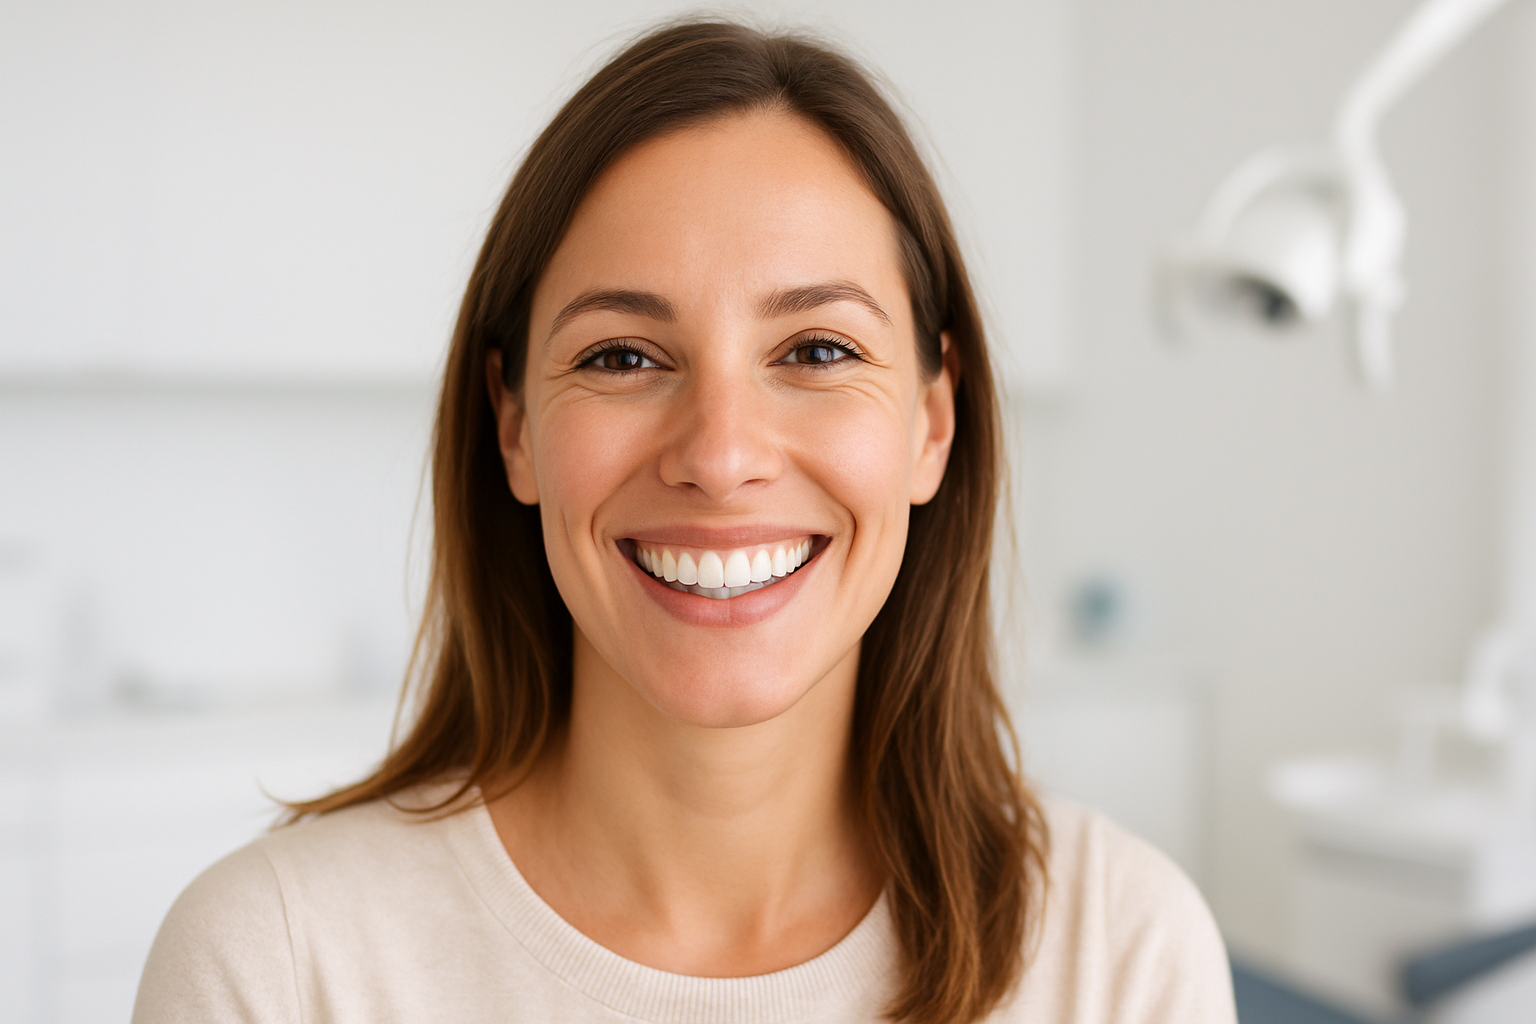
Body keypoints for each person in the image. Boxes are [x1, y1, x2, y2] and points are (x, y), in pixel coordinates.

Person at [133, 19, 1235, 1024]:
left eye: (816, 351)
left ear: (931, 424)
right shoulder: (276, 966)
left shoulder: (1122, 958)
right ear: (513, 425)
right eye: (622, 356)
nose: (718, 456)